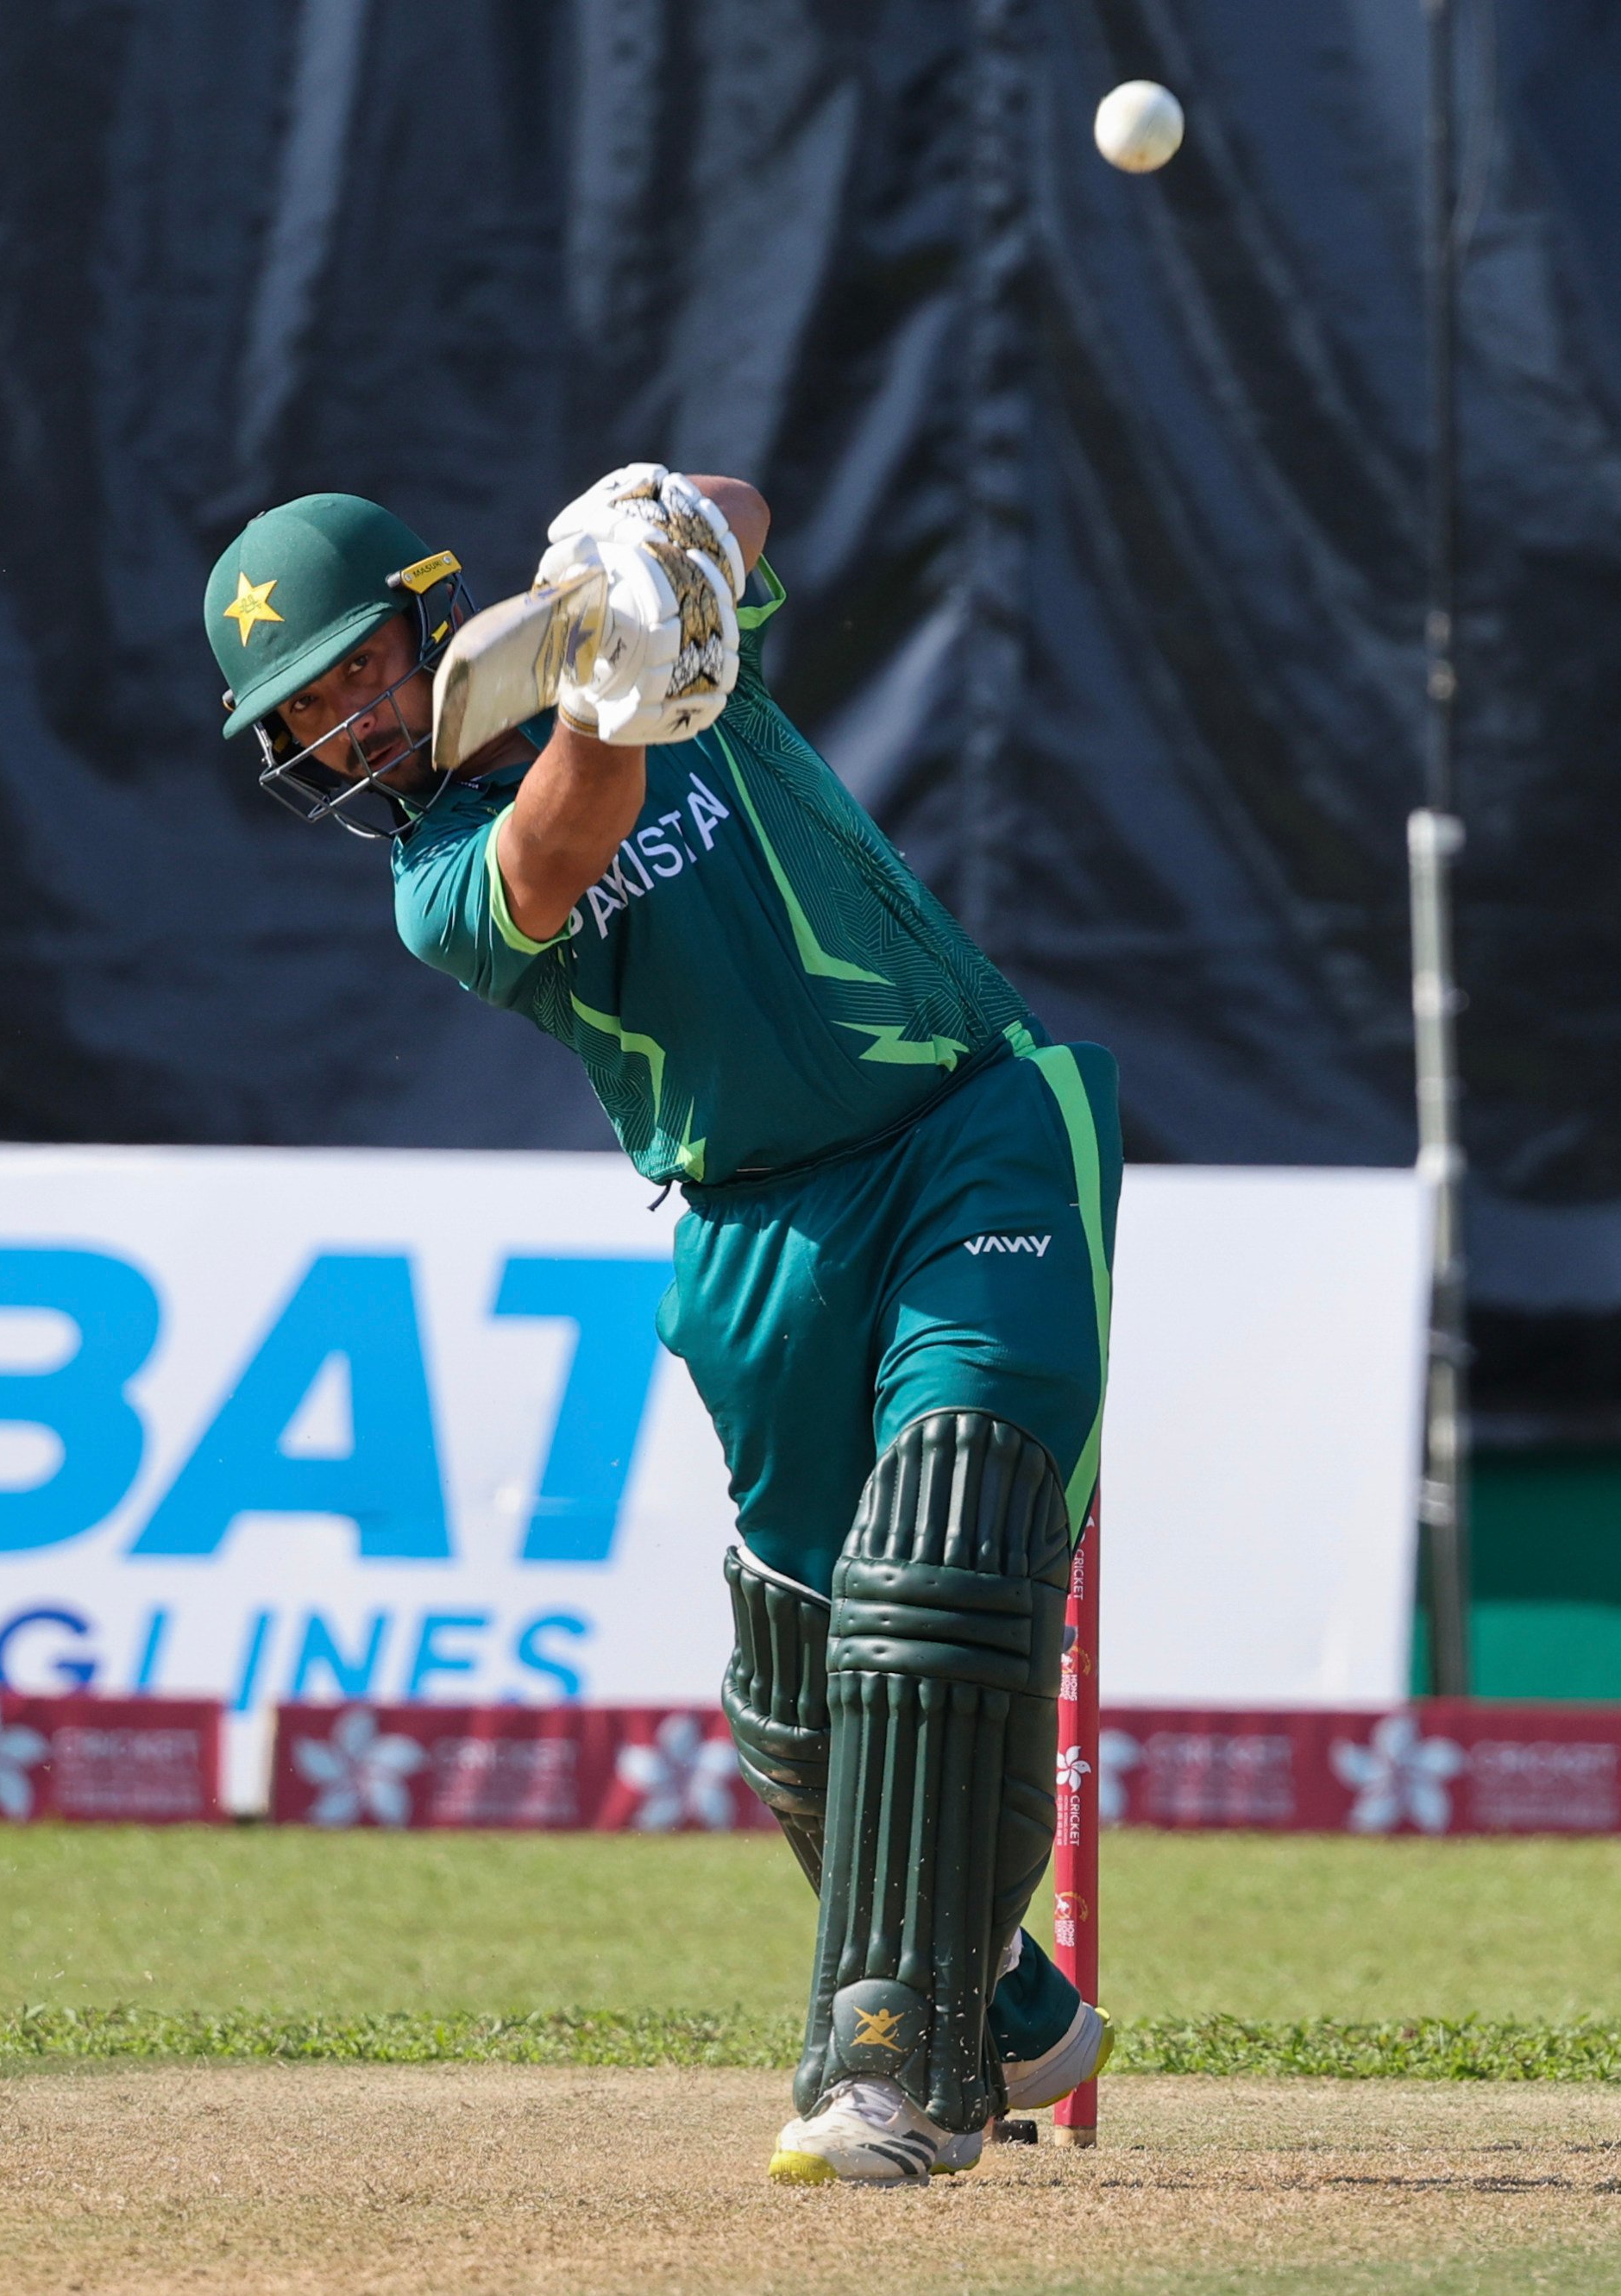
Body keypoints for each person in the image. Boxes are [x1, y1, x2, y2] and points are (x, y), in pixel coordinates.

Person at [202, 473, 1116, 2180]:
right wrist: (611, 689)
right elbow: (566, 842)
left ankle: (888, 2063)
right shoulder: (439, 881)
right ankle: (994, 1982)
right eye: (307, 715)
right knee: (799, 1666)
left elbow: (747, 510)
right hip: (752, 1225)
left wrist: (650, 537)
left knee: (950, 1529)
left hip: (966, 1124)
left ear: (425, 618)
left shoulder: (664, 649)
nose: (344, 725)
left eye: (354, 674)